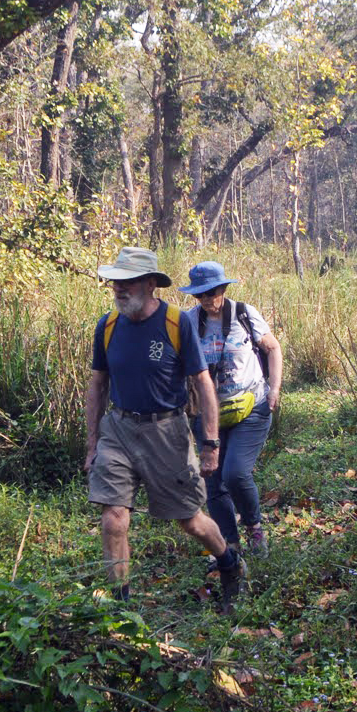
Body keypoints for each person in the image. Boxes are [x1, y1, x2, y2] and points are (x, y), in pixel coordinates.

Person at [84, 247, 244, 610]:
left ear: (151, 284)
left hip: (167, 432)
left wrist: (210, 442)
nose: (119, 289)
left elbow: (202, 382)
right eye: (115, 282)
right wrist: (92, 444)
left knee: (190, 520)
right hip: (119, 428)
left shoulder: (176, 323)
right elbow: (97, 385)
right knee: (113, 518)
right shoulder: (107, 326)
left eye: (128, 282)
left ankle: (230, 564)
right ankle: (121, 606)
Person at [181, 262, 283, 557]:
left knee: (235, 473)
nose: (207, 300)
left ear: (223, 289)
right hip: (208, 414)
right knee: (213, 480)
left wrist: (274, 389)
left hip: (251, 405)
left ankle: (254, 528)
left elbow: (272, 348)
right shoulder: (188, 322)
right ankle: (230, 545)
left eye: (211, 293)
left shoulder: (243, 314)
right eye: (199, 295)